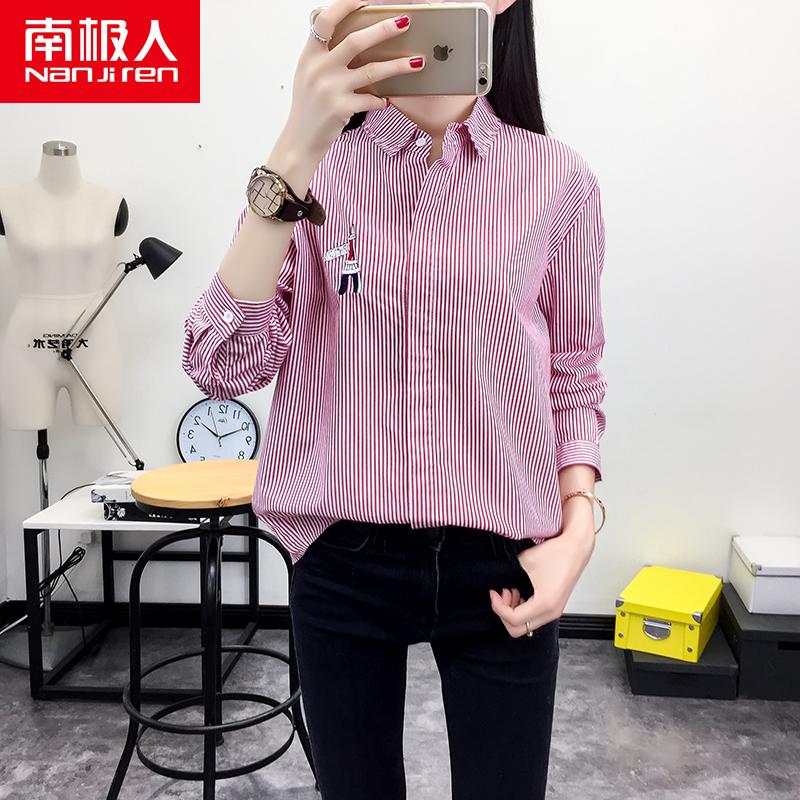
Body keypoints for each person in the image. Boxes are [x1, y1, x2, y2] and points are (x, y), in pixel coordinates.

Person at [181, 0, 608, 797]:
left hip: (505, 557)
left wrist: (579, 524)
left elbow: (573, 373)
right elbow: (220, 364)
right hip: (341, 559)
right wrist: (296, 143)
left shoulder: (558, 181)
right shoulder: (314, 173)